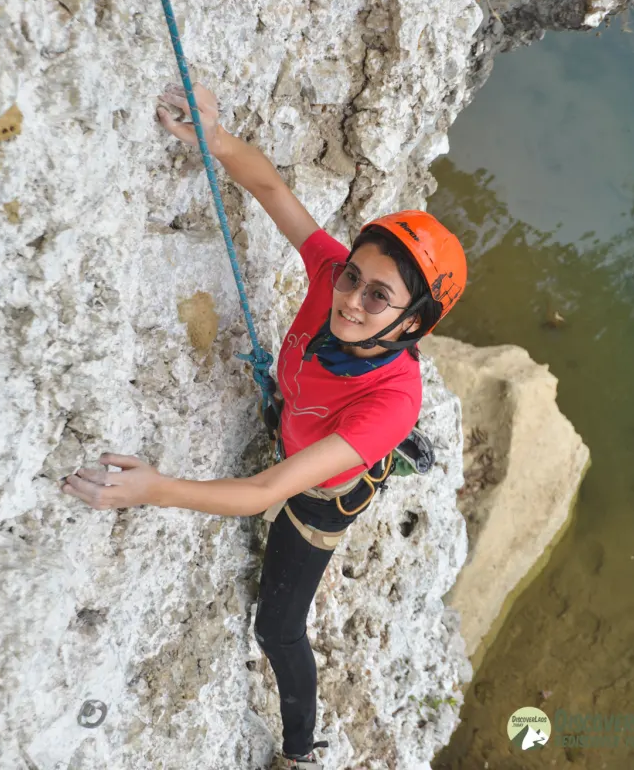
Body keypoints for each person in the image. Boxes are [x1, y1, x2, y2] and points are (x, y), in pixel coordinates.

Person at [58, 82, 466, 769]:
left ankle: (300, 751)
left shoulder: (391, 399)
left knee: (277, 628)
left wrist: (153, 488)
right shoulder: (332, 277)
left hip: (320, 496)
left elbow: (263, 491)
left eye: (377, 297)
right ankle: (384, 453)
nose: (350, 299)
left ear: (414, 325)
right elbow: (274, 193)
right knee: (317, 414)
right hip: (312, 423)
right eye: (353, 278)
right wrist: (212, 138)